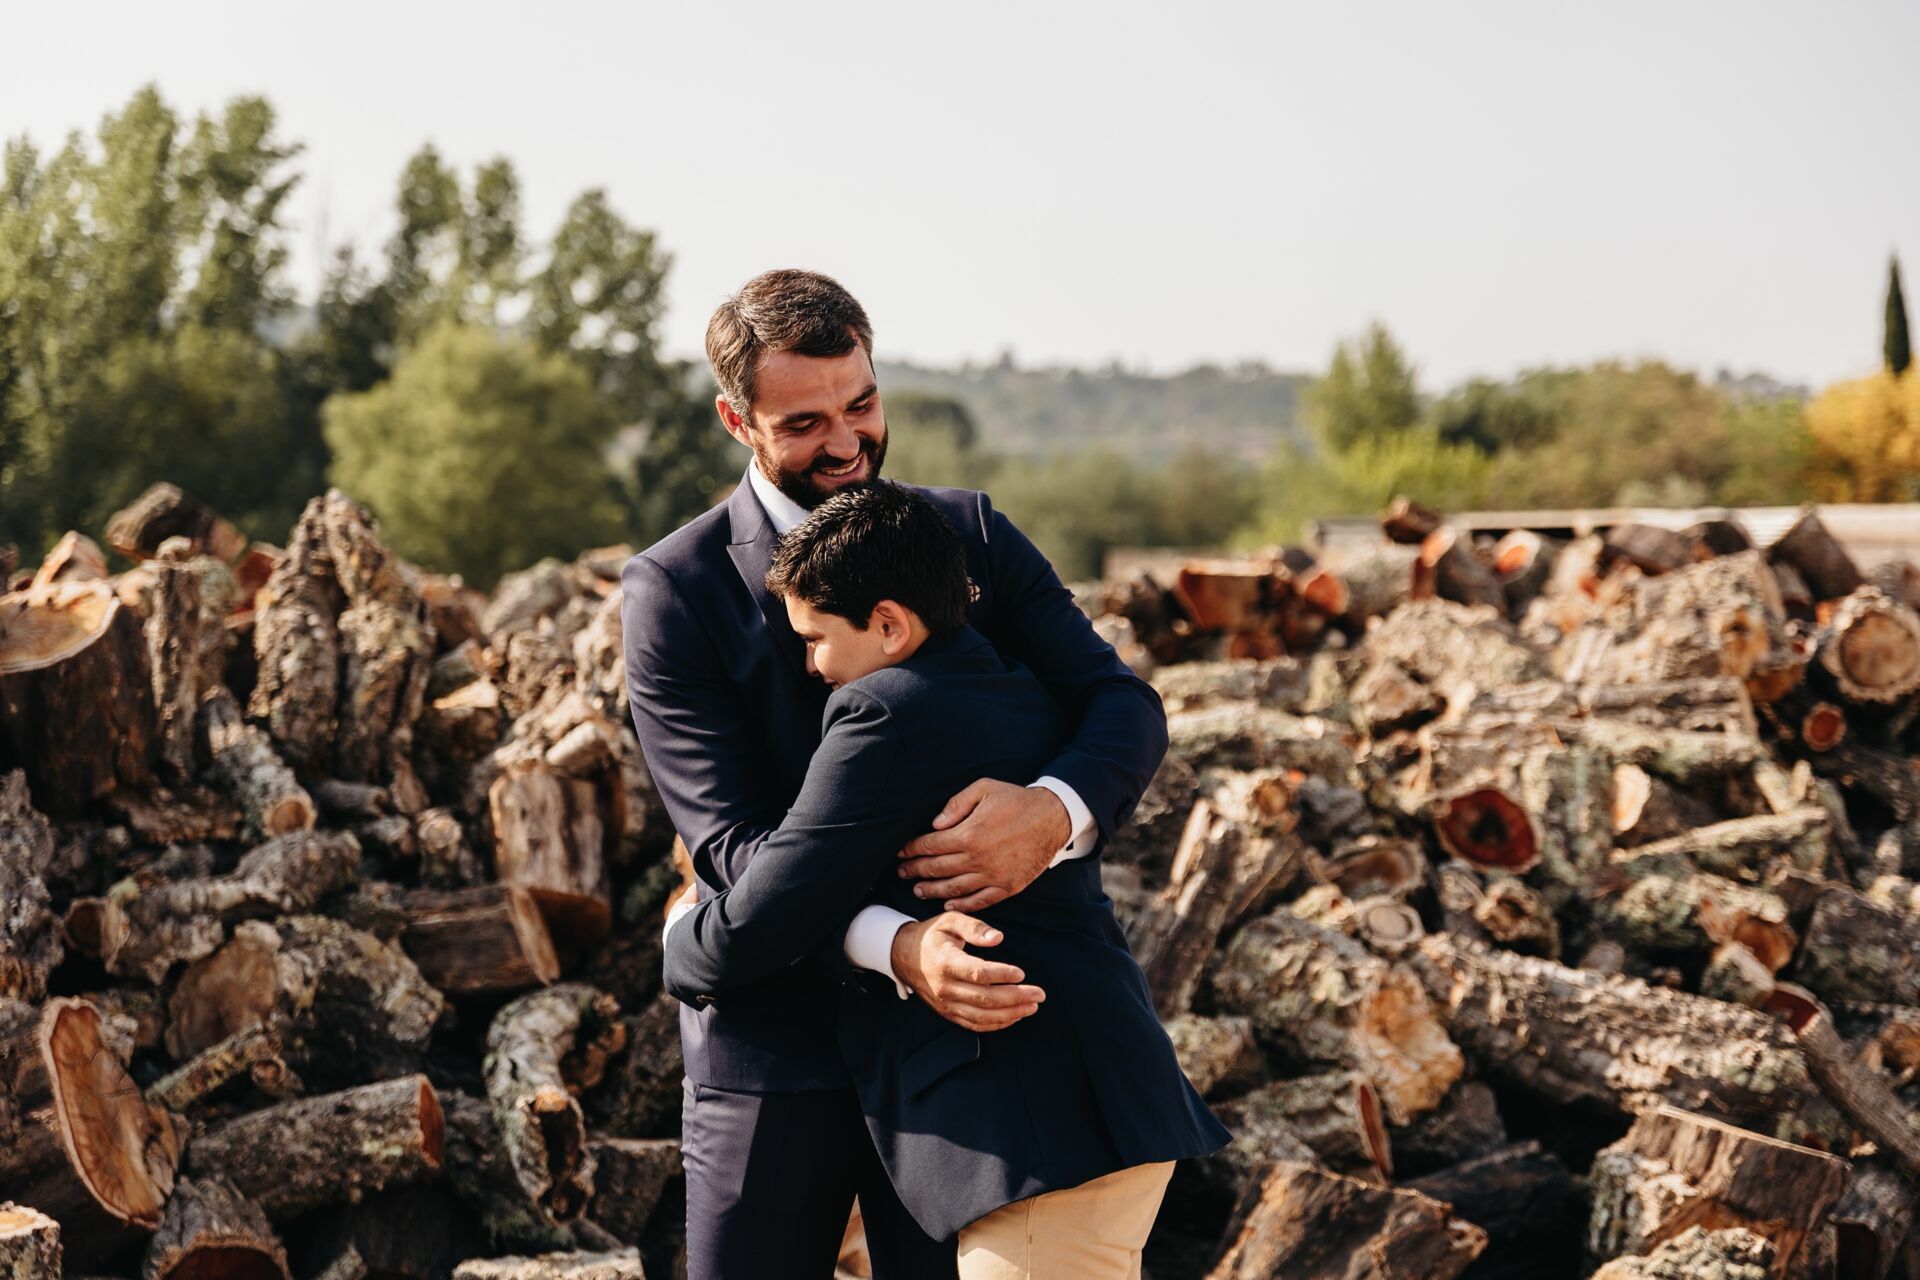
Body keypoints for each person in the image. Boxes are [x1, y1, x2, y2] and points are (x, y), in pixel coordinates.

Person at [620, 269, 1173, 1279]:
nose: (846, 442)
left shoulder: (969, 534)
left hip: (966, 1063)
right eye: (804, 423)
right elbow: (729, 842)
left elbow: (1119, 703)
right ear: (736, 419)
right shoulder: (675, 590)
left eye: (862, 404)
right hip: (774, 1043)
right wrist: (895, 944)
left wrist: (1052, 814)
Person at [661, 482, 1228, 1279]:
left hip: (1041, 1136)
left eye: (816, 639)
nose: (809, 663)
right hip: (1085, 1108)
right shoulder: (1010, 685)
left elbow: (766, 912)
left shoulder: (883, 715)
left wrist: (682, 931)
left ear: (889, 625)